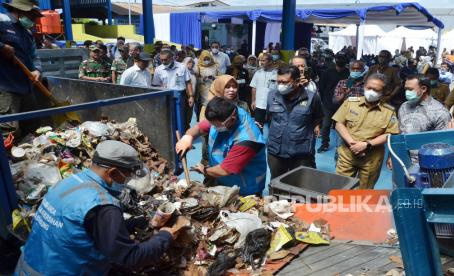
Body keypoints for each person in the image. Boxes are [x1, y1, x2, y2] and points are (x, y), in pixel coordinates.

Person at [16, 140, 185, 275]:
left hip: (27, 267)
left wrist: (128, 225)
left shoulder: (68, 182)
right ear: (112, 173)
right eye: (127, 175)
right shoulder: (104, 206)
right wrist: (164, 237)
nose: (128, 181)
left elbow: (75, 228)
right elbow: (131, 258)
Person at [176, 97, 266, 196]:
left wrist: (204, 170)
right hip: (224, 181)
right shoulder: (224, 114)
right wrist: (187, 137)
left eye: (216, 126)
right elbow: (200, 127)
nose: (213, 127)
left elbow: (225, 170)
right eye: (212, 124)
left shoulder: (247, 139)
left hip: (245, 187)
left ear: (232, 119)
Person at [333, 73, 399, 189]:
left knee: (364, 192)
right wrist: (353, 144)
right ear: (364, 86)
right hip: (347, 155)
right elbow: (339, 123)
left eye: (376, 90)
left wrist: (366, 144)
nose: (371, 92)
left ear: (383, 92)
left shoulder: (388, 111)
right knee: (340, 186)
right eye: (369, 88)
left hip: (371, 159)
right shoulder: (350, 102)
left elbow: (390, 133)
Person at [267, 66, 324, 178]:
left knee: (300, 186)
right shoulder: (272, 96)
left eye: (284, 82)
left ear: (297, 81)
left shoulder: (312, 98)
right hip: (276, 151)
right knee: (276, 184)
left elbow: (318, 117)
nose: (280, 85)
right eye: (278, 82)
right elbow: (270, 118)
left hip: (301, 152)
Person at [389, 75, 453, 168]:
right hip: (402, 160)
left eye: (410, 89)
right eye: (406, 89)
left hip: (427, 164)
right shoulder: (404, 106)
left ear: (423, 89)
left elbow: (442, 145)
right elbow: (398, 133)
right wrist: (392, 156)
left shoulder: (439, 112)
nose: (407, 92)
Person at [0, 0, 43, 137]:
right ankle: (8, 158)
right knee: (9, 130)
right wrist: (2, 47)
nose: (34, 20)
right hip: (6, 88)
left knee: (33, 126)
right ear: (20, 11)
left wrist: (36, 70)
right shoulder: (2, 21)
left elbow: (34, 56)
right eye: (32, 16)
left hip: (26, 87)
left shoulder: (27, 32)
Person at [152, 49, 194, 131]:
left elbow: (188, 82)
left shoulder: (182, 67)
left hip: (181, 96)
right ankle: (173, 139)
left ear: (172, 58)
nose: (163, 62)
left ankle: (183, 138)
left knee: (182, 119)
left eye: (165, 59)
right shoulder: (158, 70)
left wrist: (191, 96)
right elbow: (155, 86)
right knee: (170, 119)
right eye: (161, 59)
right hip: (166, 97)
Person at [317, 53, 350, 153]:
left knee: (340, 126)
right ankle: (324, 143)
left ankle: (339, 147)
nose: (340, 61)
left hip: (342, 104)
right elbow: (321, 87)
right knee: (326, 124)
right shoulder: (327, 72)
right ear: (335, 60)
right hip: (328, 103)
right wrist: (323, 100)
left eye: (342, 59)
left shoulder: (348, 73)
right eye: (339, 59)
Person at [250, 53, 277, 129]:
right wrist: (253, 101)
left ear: (270, 61)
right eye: (260, 60)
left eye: (263, 60)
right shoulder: (257, 73)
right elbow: (254, 87)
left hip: (272, 105)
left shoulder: (277, 73)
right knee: (258, 126)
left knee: (272, 126)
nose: (261, 62)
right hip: (259, 104)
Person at [195, 50, 220, 120]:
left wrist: (214, 77)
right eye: (205, 59)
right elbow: (196, 80)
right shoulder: (199, 67)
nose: (206, 60)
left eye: (208, 59)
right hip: (203, 89)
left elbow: (220, 77)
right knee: (205, 105)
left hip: (214, 87)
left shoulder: (215, 66)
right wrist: (203, 79)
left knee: (214, 104)